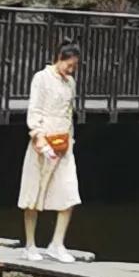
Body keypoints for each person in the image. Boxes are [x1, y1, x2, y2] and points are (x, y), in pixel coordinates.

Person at [19, 42, 82, 251]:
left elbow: (69, 112)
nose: (71, 70)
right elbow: (35, 108)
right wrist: (38, 135)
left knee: (69, 191)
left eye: (74, 66)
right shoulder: (42, 78)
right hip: (44, 140)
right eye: (69, 65)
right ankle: (30, 244)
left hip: (64, 142)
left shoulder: (70, 82)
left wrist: (70, 138)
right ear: (59, 58)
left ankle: (57, 243)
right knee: (33, 192)